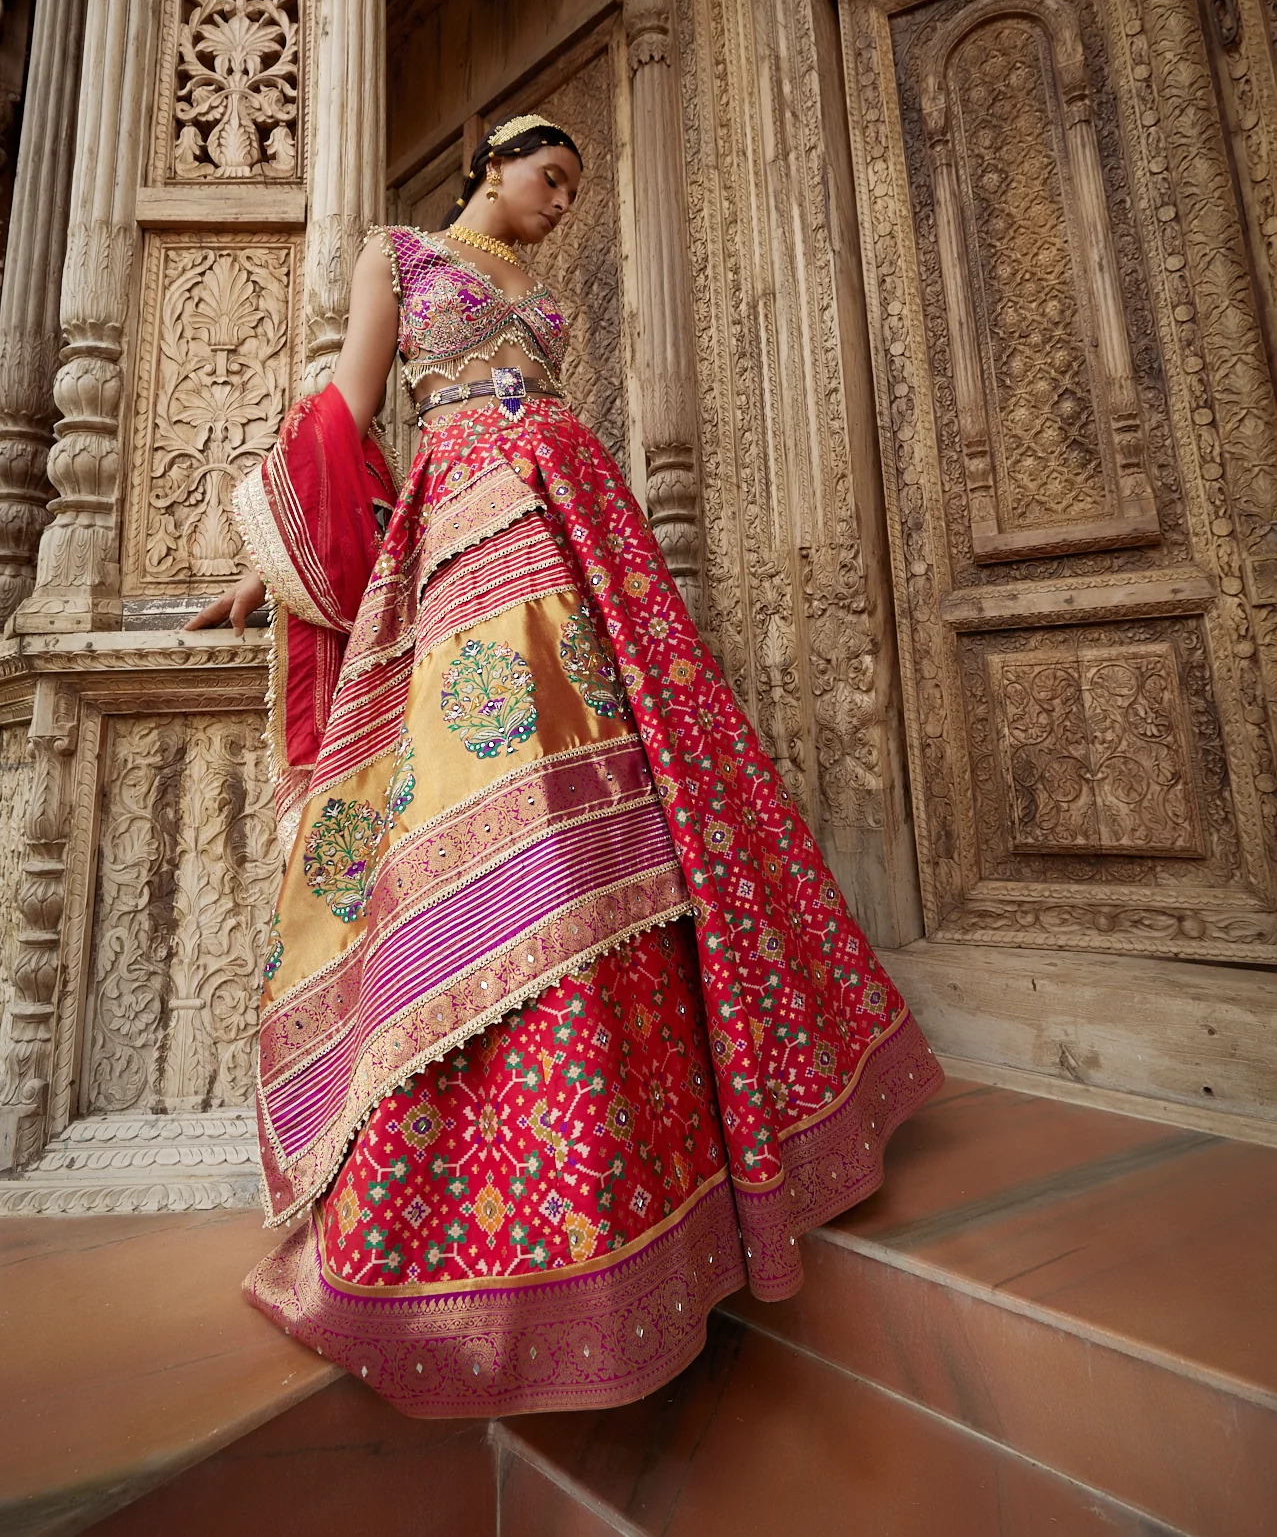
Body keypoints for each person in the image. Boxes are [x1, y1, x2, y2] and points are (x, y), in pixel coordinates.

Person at [188, 113, 942, 1418]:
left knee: (628, 826)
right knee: (512, 813)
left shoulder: (549, 301)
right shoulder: (403, 257)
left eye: (576, 193)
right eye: (551, 180)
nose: (560, 207)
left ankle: (654, 1156)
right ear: (496, 160)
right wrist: (275, 570)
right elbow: (342, 423)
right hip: (475, 542)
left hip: (586, 542)